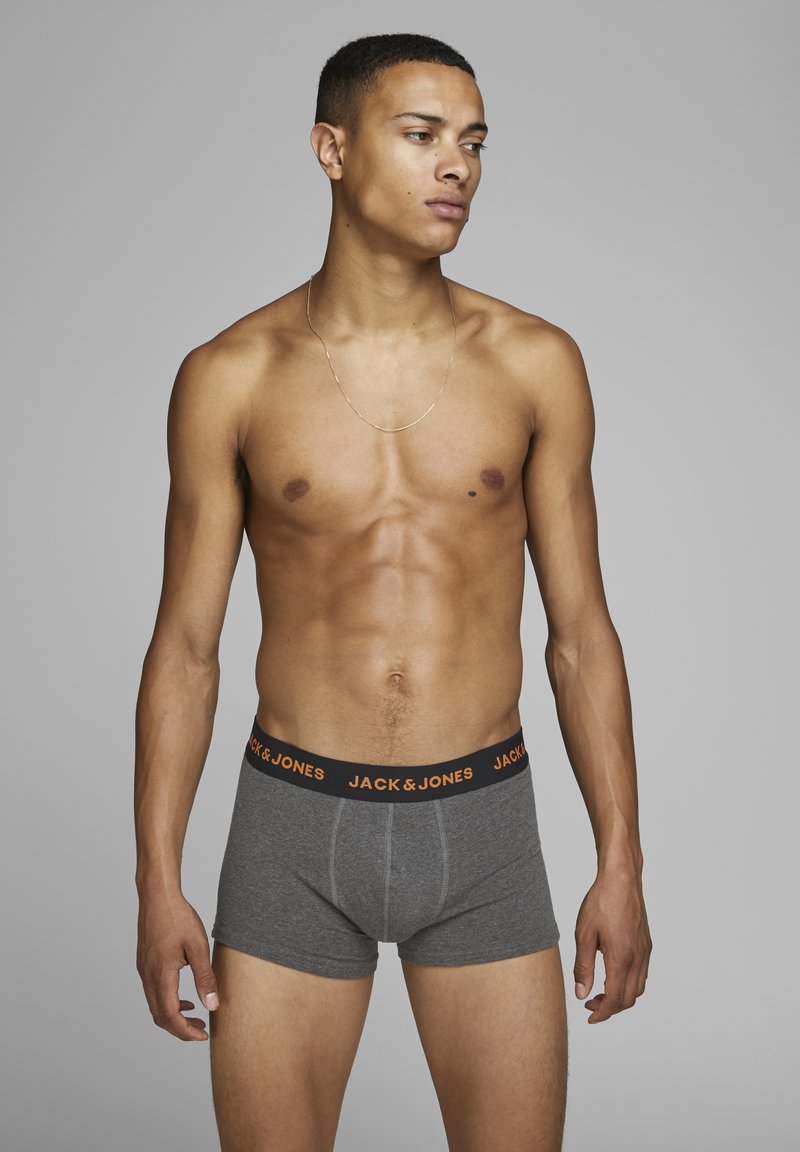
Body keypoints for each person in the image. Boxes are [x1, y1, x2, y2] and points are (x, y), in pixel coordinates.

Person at [134, 31, 652, 1152]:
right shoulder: (229, 376)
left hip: (482, 824)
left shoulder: (535, 363)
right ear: (331, 149)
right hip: (291, 823)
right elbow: (185, 648)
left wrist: (621, 862)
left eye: (473, 142)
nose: (456, 165)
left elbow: (580, 636)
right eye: (421, 135)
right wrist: (157, 881)